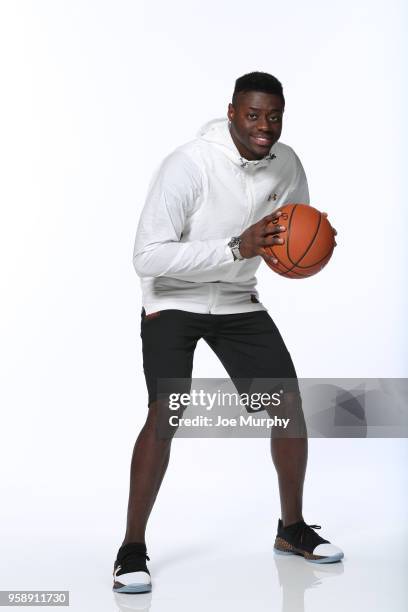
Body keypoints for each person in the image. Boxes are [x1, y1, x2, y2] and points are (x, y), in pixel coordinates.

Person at [112, 72, 343, 594]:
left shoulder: (287, 164)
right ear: (233, 111)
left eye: (275, 116)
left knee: (287, 403)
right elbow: (145, 256)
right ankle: (131, 549)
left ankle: (292, 529)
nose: (265, 127)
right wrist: (236, 248)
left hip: (237, 299)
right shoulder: (188, 165)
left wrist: (306, 253)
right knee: (166, 412)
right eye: (254, 115)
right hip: (173, 295)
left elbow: (291, 231)